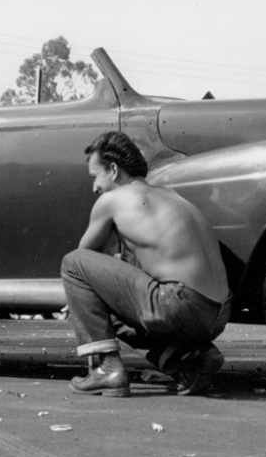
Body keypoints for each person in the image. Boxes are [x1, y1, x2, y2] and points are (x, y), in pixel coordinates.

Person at [61, 132, 231, 397]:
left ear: (114, 170)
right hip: (218, 313)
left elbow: (82, 263)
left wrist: (79, 302)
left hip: (180, 304)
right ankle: (192, 358)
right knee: (117, 300)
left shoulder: (111, 201)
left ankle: (105, 369)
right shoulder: (170, 195)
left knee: (72, 263)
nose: (94, 188)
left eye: (95, 177)